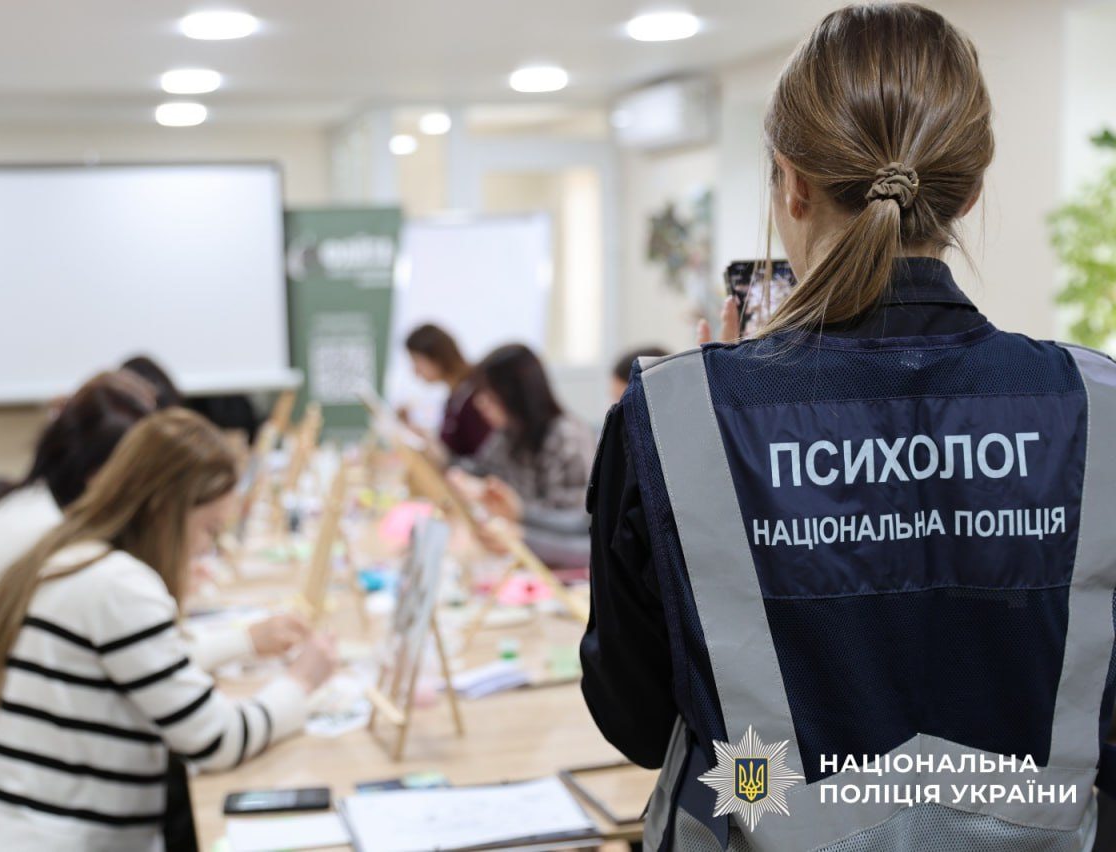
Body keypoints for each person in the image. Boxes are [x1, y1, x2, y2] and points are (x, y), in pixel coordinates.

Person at [583, 5, 1116, 850]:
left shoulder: (679, 420)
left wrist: (729, 413)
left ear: (791, 184)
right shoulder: (1098, 407)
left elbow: (639, 720)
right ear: (971, 190)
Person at [0, 409, 336, 851]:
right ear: (165, 512)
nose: (207, 548)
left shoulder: (77, 554)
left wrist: (244, 642)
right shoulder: (118, 586)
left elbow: (149, 663)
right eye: (208, 529)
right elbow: (216, 740)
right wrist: (300, 682)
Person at [452, 344, 594, 569]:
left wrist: (519, 518)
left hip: (555, 566)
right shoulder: (508, 433)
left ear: (515, 394)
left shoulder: (567, 437)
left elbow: (578, 523)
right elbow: (480, 468)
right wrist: (460, 475)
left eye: (488, 394)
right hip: (522, 557)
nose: (479, 403)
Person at [404, 324, 491, 460]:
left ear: (436, 358)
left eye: (417, 361)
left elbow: (478, 458)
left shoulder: (474, 396)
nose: (415, 371)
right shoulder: (455, 396)